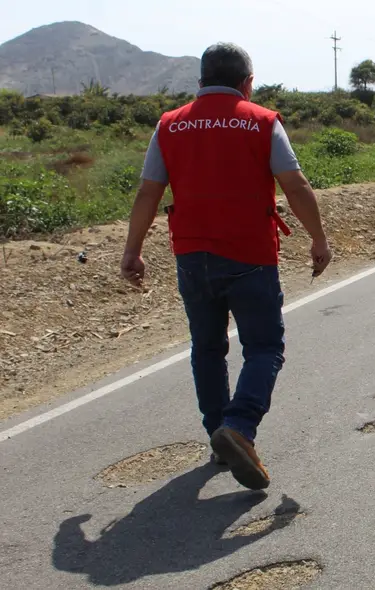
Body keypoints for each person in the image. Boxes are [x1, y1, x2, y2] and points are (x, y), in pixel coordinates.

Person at [120, 42, 332, 490]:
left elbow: (147, 193)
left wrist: (132, 250)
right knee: (264, 348)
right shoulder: (261, 121)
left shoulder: (169, 126)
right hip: (250, 256)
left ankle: (219, 434)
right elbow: (295, 184)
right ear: (247, 83)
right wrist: (318, 238)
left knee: (207, 348)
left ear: (199, 82)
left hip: (192, 258)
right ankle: (238, 427)